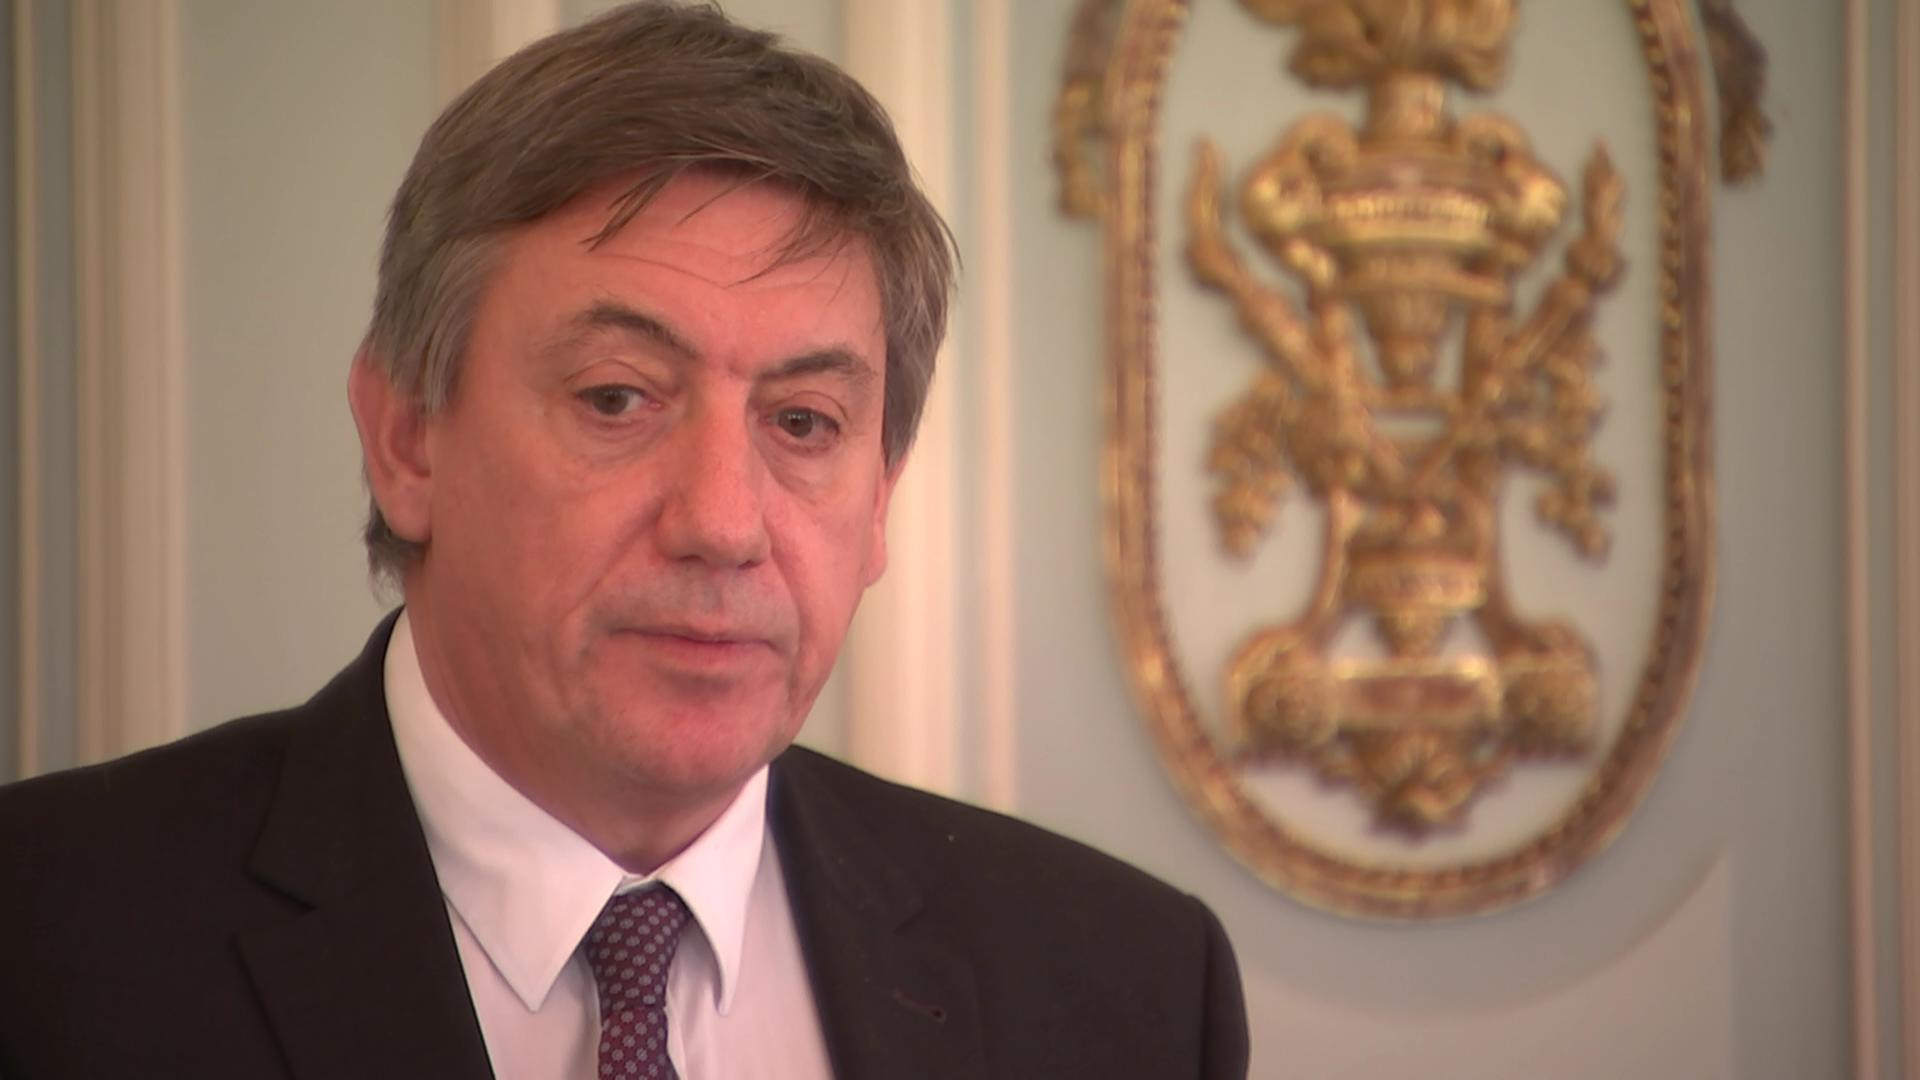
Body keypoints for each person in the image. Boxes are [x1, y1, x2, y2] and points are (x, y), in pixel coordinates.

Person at [0, 3, 1248, 1077]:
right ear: (407, 439)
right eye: (617, 399)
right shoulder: (46, 936)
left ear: (879, 502)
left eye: (804, 422)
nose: (722, 523)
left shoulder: (1128, 988)